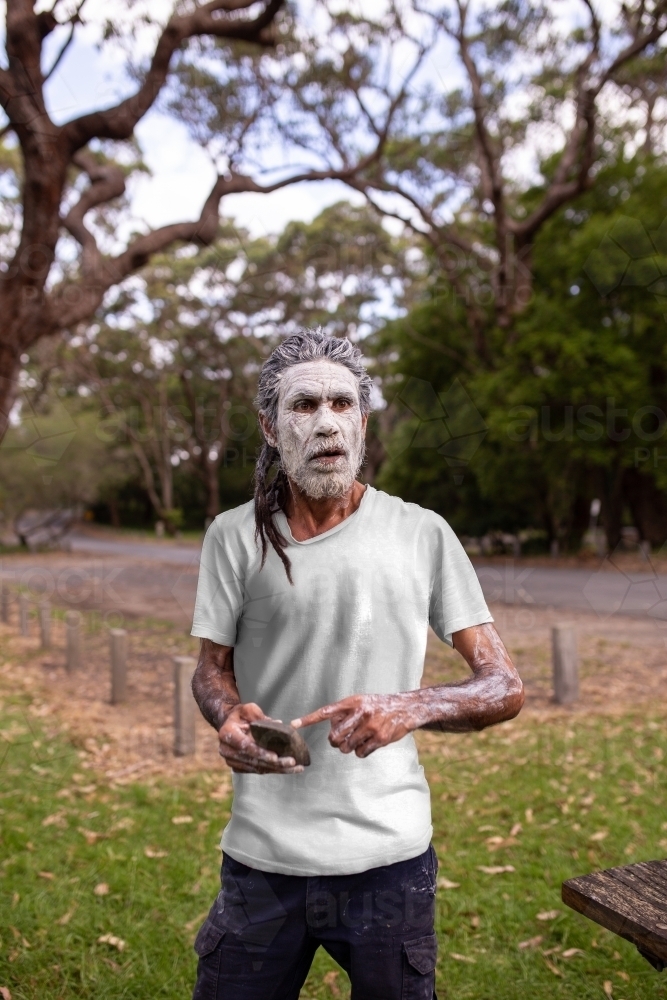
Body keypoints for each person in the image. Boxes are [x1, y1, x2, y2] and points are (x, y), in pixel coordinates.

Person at [190, 329, 524, 1000]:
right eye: (304, 405)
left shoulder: (422, 533)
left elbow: (503, 685)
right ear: (270, 427)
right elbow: (210, 670)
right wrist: (227, 716)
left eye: (342, 404)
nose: (326, 423)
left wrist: (410, 706)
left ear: (364, 422)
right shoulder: (232, 536)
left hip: (388, 861)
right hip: (262, 858)